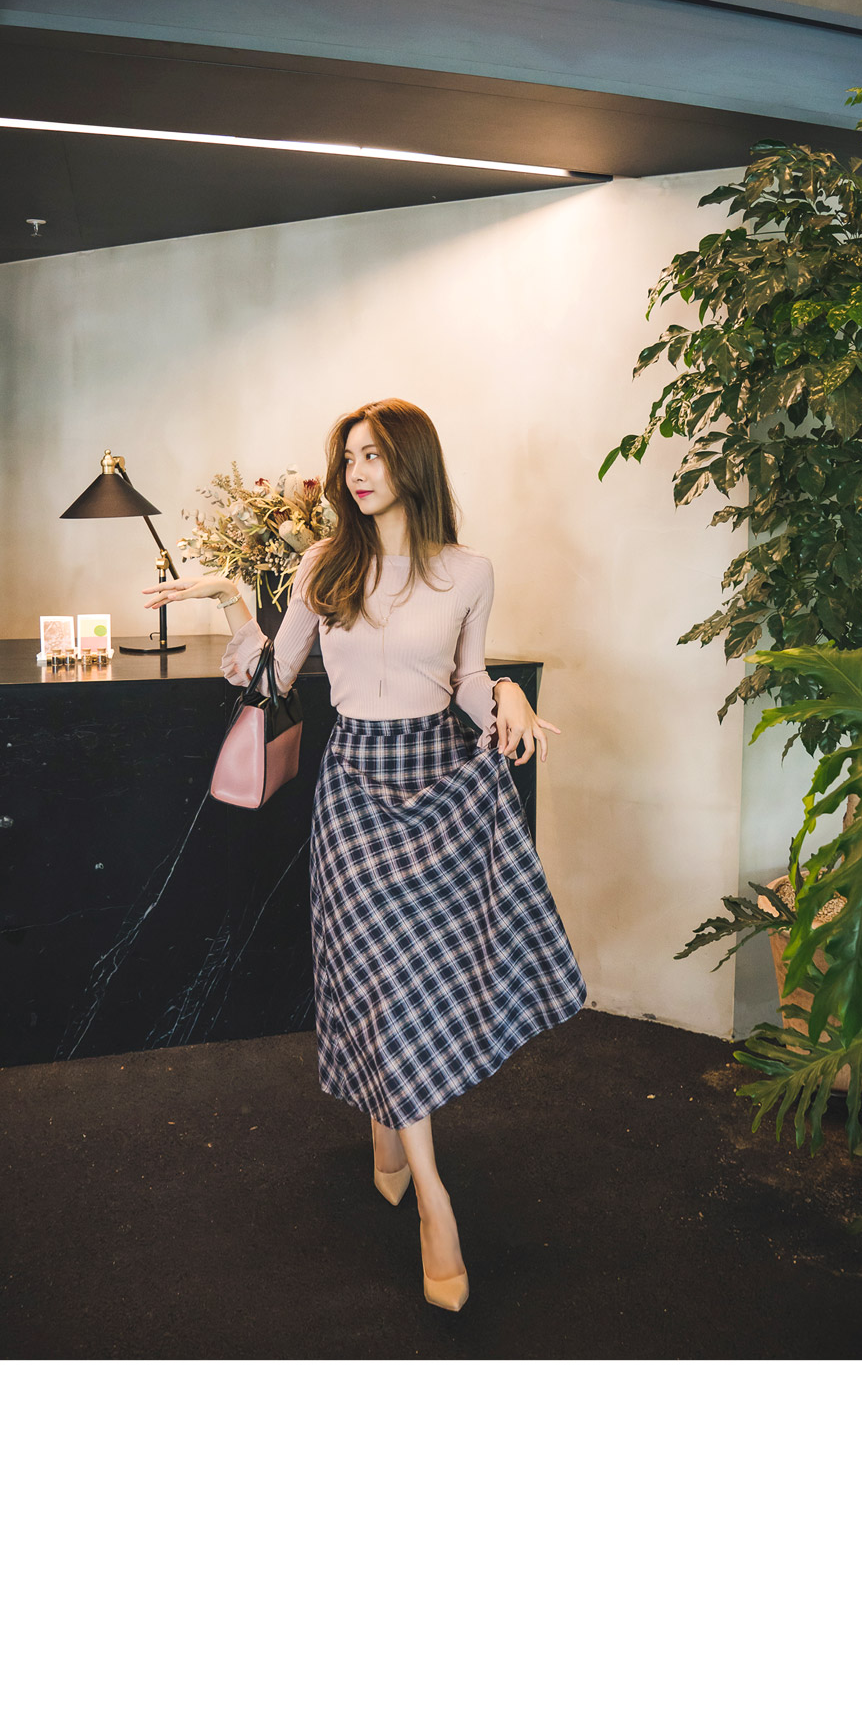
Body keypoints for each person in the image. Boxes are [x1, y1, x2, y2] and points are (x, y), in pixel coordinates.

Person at [143, 398, 586, 1312]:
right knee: (383, 975)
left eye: (375, 455)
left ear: (412, 462)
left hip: (439, 785)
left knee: (416, 981)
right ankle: (434, 1199)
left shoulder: (468, 571)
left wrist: (506, 693)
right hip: (353, 791)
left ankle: (390, 1120)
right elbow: (274, 676)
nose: (358, 471)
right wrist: (230, 599)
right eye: (349, 457)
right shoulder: (324, 563)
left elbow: (465, 680)